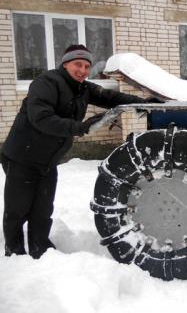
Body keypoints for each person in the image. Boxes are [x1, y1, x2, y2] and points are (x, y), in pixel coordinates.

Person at [1, 44, 154, 258]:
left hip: (47, 160)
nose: (83, 70)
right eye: (78, 64)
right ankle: (14, 251)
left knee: (43, 209)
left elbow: (110, 97)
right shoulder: (46, 83)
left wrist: (145, 104)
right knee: (17, 209)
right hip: (22, 157)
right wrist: (79, 128)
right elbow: (41, 118)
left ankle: (39, 247)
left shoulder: (81, 88)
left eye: (87, 66)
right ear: (66, 64)